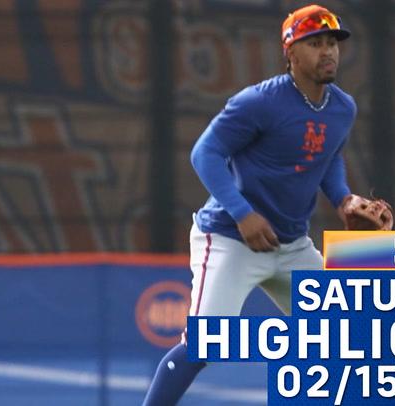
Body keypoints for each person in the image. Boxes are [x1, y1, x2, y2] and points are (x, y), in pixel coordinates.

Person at [142, 5, 357, 405]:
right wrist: (243, 214)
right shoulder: (259, 102)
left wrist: (344, 199)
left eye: (332, 43)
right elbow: (205, 154)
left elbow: (328, 159)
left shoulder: (342, 108)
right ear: (290, 53)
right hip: (229, 237)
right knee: (203, 346)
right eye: (315, 44)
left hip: (290, 244)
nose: (327, 51)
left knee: (345, 335)